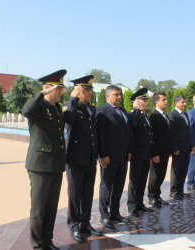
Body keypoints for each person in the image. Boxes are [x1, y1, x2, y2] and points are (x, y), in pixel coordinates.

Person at [21, 69, 67, 250]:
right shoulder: (38, 107)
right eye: (58, 89)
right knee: (39, 210)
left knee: (51, 208)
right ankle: (38, 245)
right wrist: (42, 93)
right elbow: (26, 110)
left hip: (56, 164)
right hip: (40, 165)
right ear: (48, 88)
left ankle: (47, 241)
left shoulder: (56, 107)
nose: (61, 92)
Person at [62, 75, 102, 243]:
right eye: (86, 90)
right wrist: (72, 98)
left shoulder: (90, 108)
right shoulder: (68, 106)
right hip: (75, 159)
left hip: (89, 158)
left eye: (90, 90)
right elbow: (69, 119)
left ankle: (85, 223)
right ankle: (74, 225)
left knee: (87, 193)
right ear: (78, 90)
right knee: (75, 194)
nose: (90, 92)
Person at [97, 85, 131, 229]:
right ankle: (104, 215)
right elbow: (100, 136)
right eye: (116, 94)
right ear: (107, 96)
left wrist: (128, 150)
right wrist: (103, 155)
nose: (119, 97)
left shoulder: (122, 110)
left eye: (120, 94)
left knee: (118, 186)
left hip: (122, 156)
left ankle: (115, 213)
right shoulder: (102, 111)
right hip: (109, 157)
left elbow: (127, 133)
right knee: (106, 186)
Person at [127, 88, 154, 218]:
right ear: (137, 101)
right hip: (137, 154)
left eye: (146, 100)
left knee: (143, 180)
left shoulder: (145, 116)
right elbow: (133, 125)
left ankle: (139, 203)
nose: (146, 102)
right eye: (144, 100)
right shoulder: (133, 114)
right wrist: (137, 110)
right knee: (134, 181)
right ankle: (132, 206)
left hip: (146, 153)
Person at [148, 92, 173, 208]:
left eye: (166, 99)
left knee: (161, 175)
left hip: (165, 152)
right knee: (154, 175)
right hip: (157, 152)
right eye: (163, 100)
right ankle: (152, 197)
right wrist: (154, 153)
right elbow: (152, 137)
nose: (166, 101)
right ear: (157, 102)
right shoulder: (153, 116)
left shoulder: (165, 115)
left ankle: (157, 195)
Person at [168, 95, 192, 201]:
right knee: (176, 171)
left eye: (185, 102)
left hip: (186, 148)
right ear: (176, 103)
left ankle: (180, 190)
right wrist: (174, 148)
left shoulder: (185, 114)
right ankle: (174, 192)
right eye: (182, 102)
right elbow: (172, 134)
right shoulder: (172, 115)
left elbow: (188, 131)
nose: (185, 104)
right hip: (178, 149)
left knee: (183, 170)